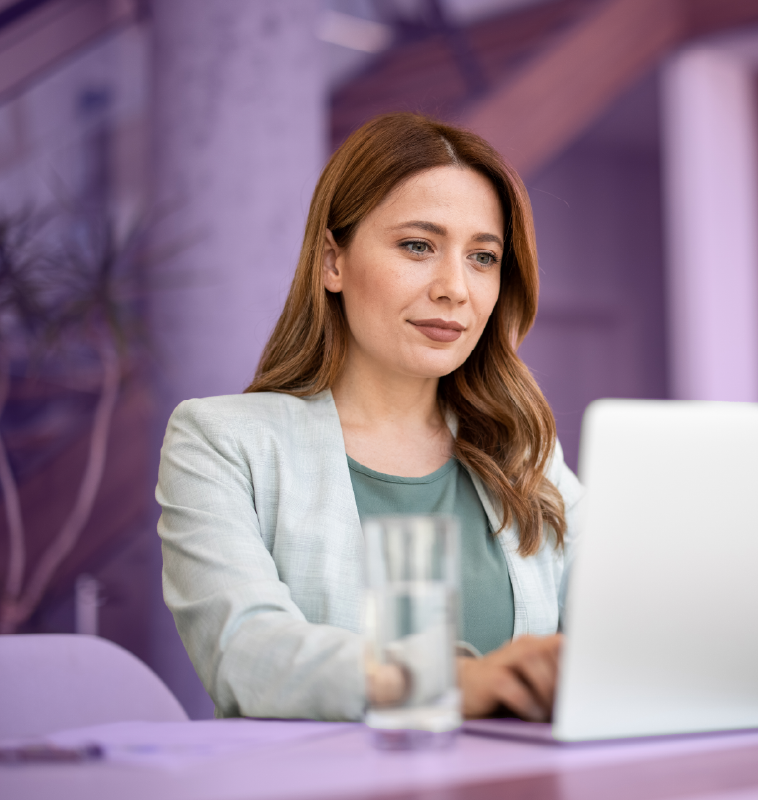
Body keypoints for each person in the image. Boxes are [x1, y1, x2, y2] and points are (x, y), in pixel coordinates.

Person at [156, 113, 583, 722]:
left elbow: (623, 621)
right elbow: (244, 652)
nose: (454, 288)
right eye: (418, 246)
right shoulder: (222, 441)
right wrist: (456, 680)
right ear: (333, 261)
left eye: (483, 257)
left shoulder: (523, 453)